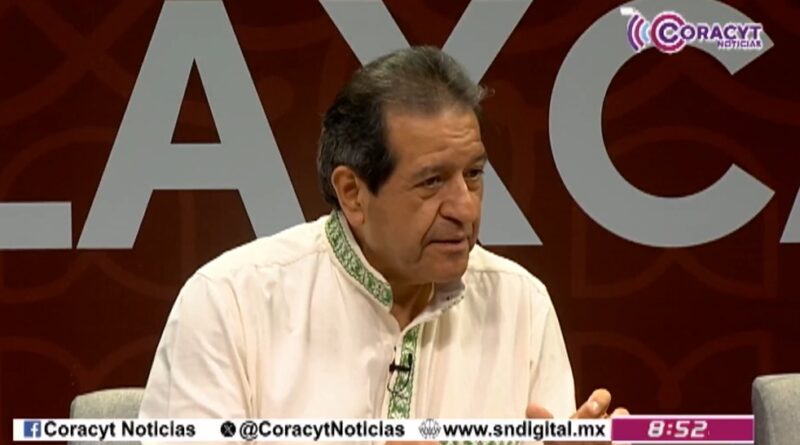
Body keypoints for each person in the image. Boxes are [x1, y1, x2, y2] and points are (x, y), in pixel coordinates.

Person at [139, 46, 627, 443]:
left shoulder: (521, 302)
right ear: (353, 193)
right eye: (432, 181)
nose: (465, 208)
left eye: (474, 174)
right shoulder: (230, 301)